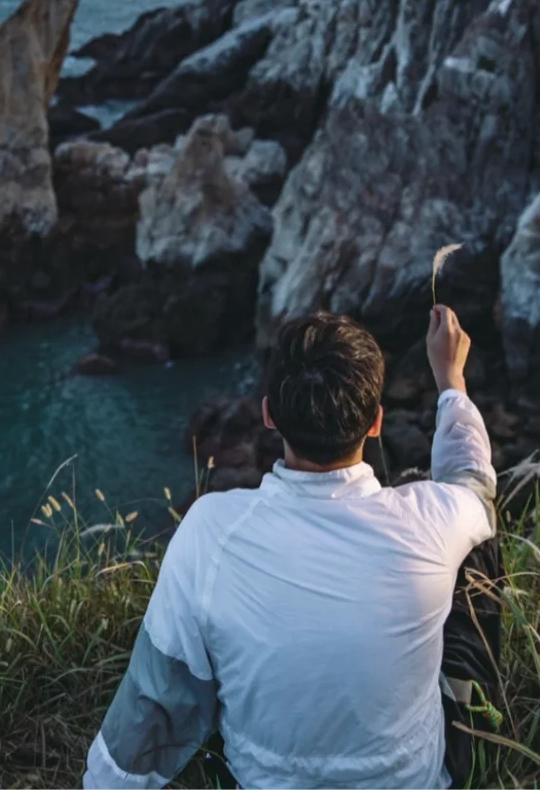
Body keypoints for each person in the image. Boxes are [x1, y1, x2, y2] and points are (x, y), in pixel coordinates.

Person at [83, 305, 501, 790]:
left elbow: (154, 697)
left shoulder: (210, 531)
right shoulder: (428, 523)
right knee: (475, 539)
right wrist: (451, 383)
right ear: (376, 423)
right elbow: (473, 483)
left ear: (268, 414)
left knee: (195, 653)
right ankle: (486, 720)